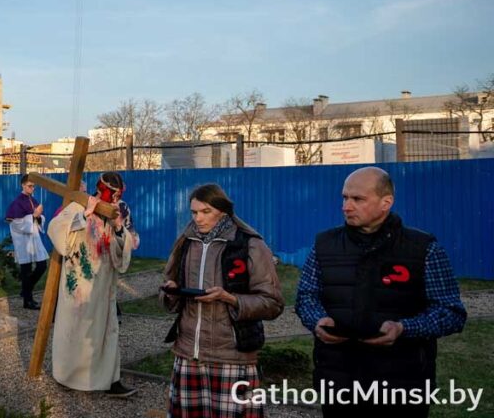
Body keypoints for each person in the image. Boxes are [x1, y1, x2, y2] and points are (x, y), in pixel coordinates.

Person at [295, 166, 466, 417]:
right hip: (339, 380)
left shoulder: (423, 248)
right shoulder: (325, 245)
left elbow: (451, 312)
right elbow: (306, 297)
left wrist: (404, 328)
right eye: (345, 197)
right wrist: (317, 320)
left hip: (403, 383)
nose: (346, 206)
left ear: (386, 202)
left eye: (358, 199)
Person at [161, 182, 284, 415]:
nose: (198, 218)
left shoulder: (250, 244)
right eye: (194, 212)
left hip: (232, 357)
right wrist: (172, 291)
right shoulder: (185, 243)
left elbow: (273, 303)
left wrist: (230, 298)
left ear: (223, 211)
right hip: (188, 355)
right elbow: (168, 288)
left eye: (205, 211)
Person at [47, 173, 138, 398]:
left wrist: (118, 228)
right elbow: (55, 229)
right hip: (80, 284)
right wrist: (84, 216)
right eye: (112, 194)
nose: (115, 199)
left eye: (118, 195)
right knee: (76, 331)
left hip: (104, 283)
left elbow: (124, 246)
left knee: (107, 332)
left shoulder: (115, 211)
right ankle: (69, 376)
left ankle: (111, 380)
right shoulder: (79, 204)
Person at [6, 175, 49, 310]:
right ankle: (27, 301)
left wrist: (39, 217)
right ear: (23, 185)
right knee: (26, 270)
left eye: (33, 186)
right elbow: (15, 223)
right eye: (30, 186)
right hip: (23, 241)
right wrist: (33, 216)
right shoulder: (17, 202)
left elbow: (38, 218)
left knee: (42, 265)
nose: (32, 188)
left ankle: (26, 290)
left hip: (34, 238)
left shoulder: (33, 200)